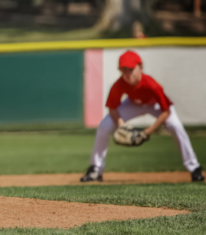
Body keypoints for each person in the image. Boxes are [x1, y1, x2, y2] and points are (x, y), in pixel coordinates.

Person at [81, 50, 203, 183]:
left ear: (141, 67)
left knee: (176, 126)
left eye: (131, 69)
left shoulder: (152, 85)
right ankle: (95, 169)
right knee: (104, 125)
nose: (127, 74)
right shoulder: (119, 84)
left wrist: (147, 132)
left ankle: (194, 168)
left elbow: (166, 112)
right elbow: (112, 108)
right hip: (133, 104)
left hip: (156, 106)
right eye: (123, 70)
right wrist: (121, 125)